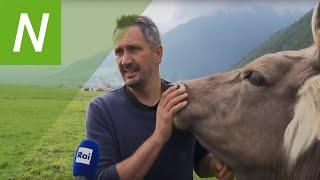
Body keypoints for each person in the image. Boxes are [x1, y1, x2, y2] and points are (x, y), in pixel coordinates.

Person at [86, 15, 233, 180]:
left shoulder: (182, 99)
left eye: (133, 49)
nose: (125, 60)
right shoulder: (101, 110)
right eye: (119, 52)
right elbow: (102, 177)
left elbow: (200, 162)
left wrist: (216, 165)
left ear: (157, 53)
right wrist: (158, 137)